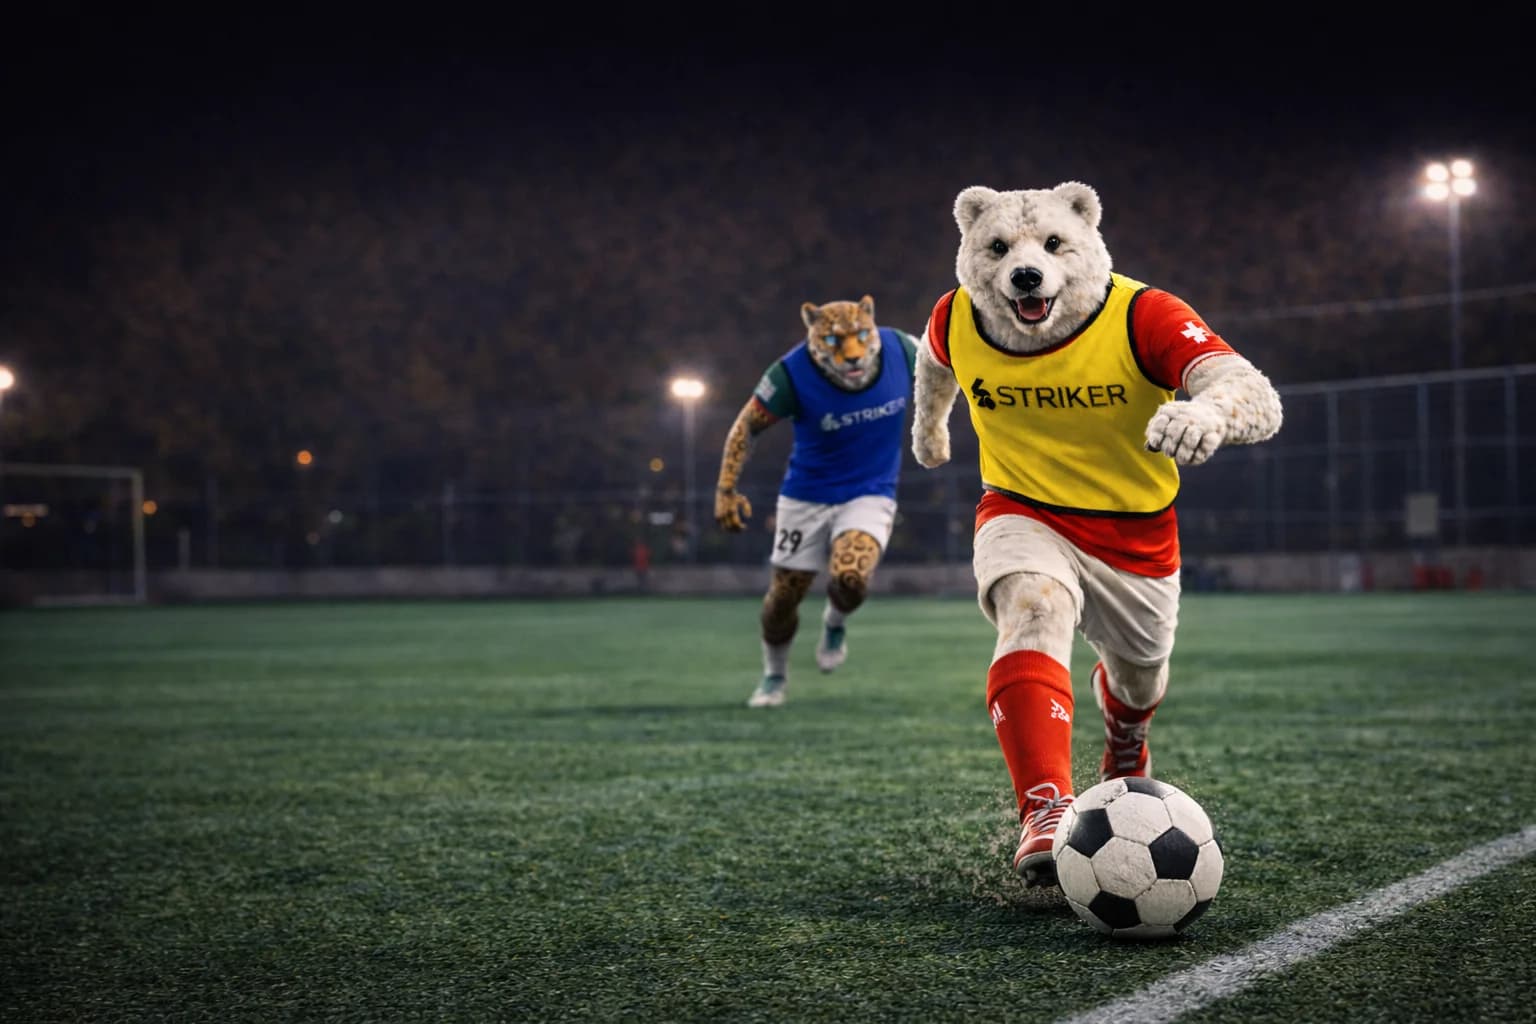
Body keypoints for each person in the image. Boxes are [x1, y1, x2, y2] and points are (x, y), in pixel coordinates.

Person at [713, 294, 919, 708]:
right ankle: (774, 675)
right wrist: (726, 489)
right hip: (805, 497)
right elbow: (745, 427)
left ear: (872, 323)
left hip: (870, 492)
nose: (852, 352)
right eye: (835, 341)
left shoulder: (903, 349)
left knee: (851, 577)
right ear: (812, 332)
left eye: (860, 336)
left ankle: (834, 621)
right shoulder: (790, 374)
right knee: (784, 597)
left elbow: (955, 374)